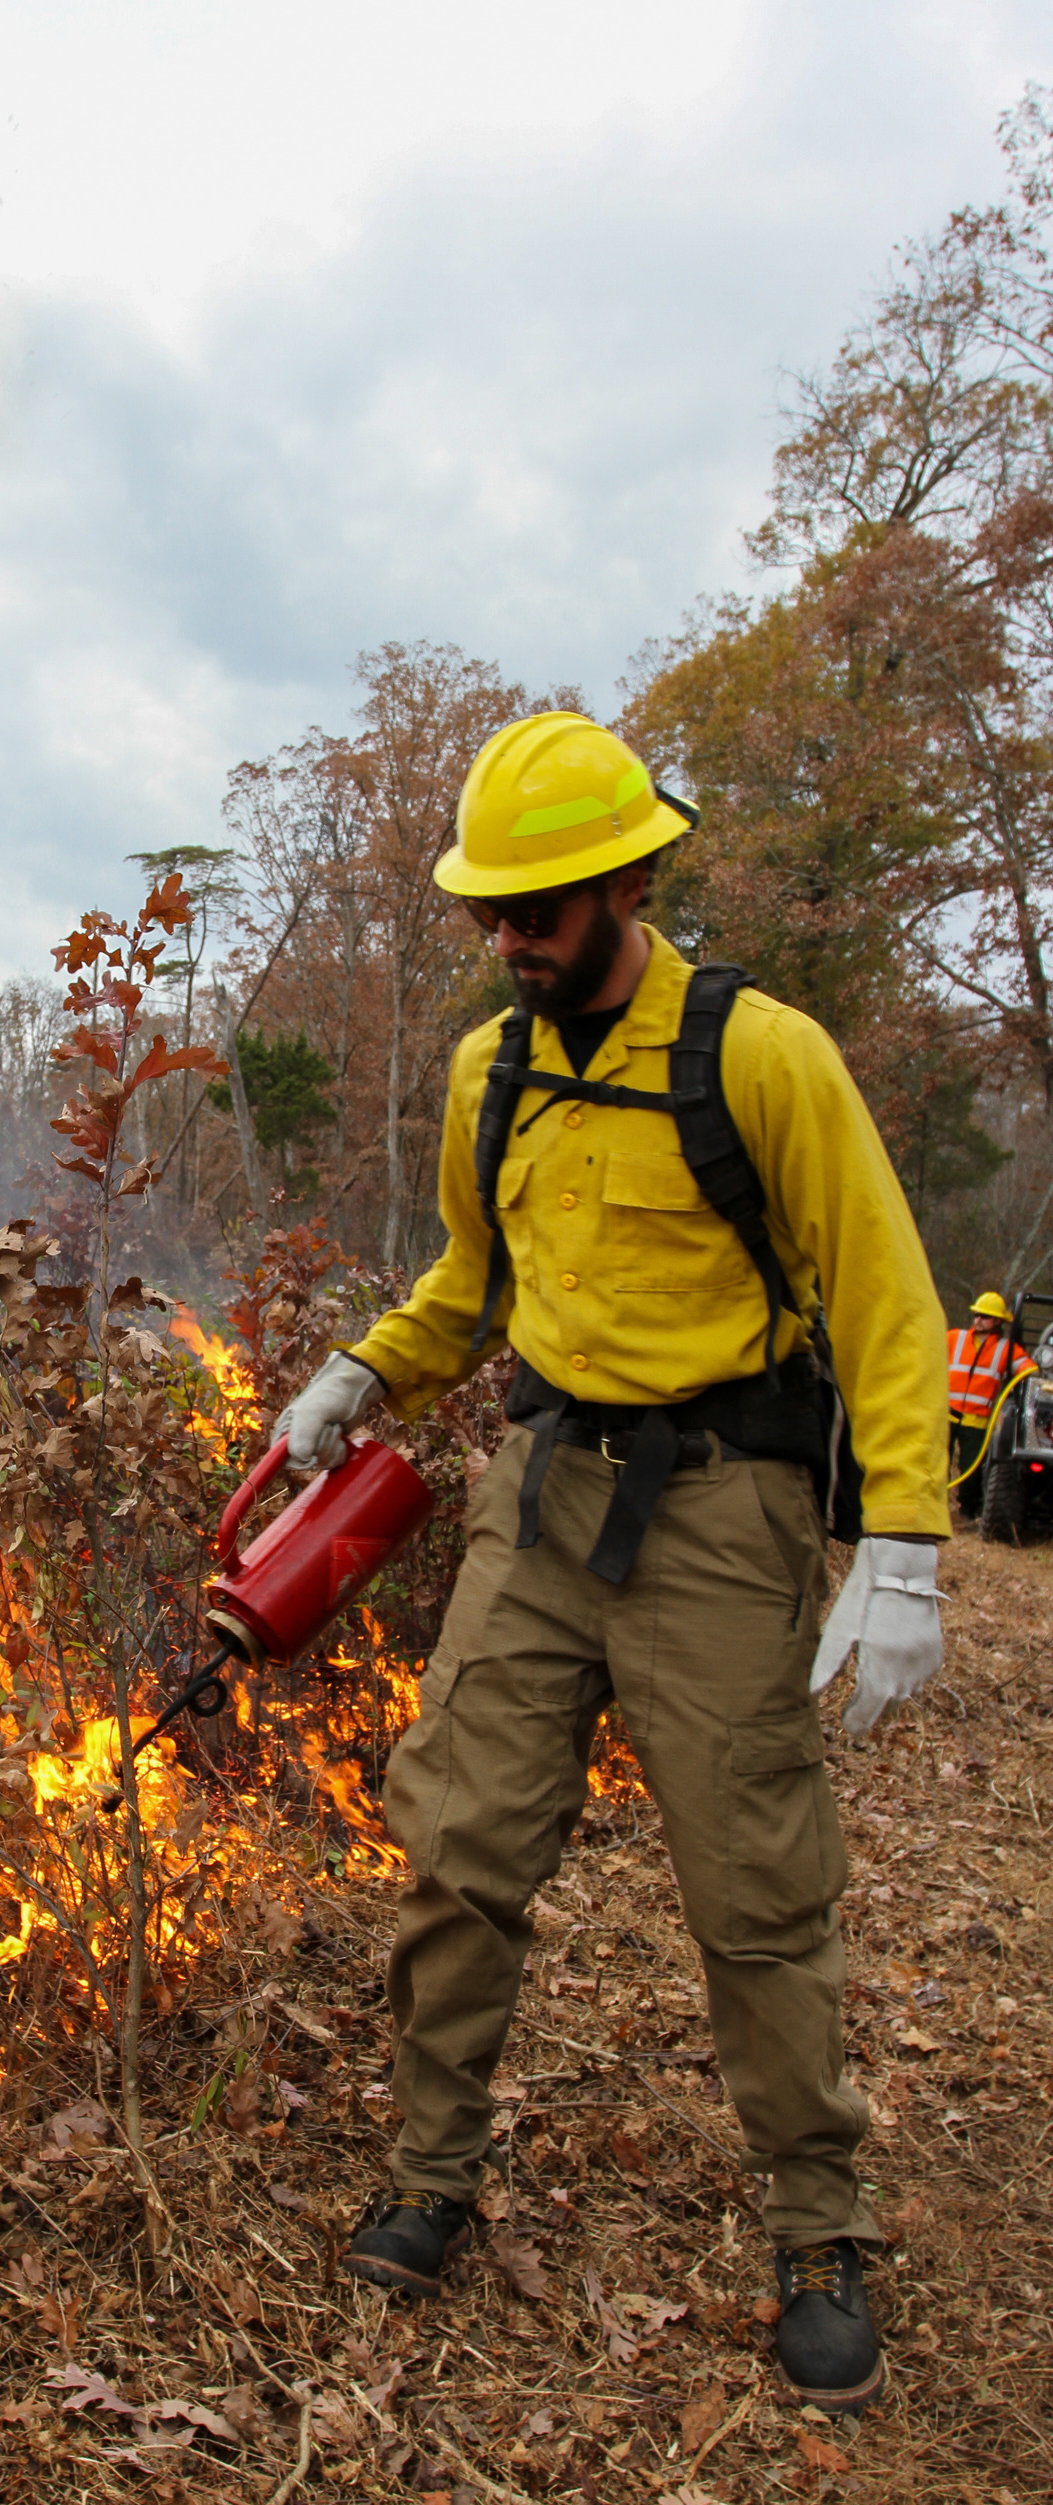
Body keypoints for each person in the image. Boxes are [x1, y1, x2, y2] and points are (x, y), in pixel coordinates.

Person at [276, 713, 948, 2415]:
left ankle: (815, 2221)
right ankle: (431, 2169)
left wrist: (905, 1551)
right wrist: (366, 1370)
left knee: (753, 1891)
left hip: (723, 1514)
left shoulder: (761, 1056)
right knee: (456, 1846)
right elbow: (466, 1277)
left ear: (629, 878)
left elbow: (880, 1299)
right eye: (489, 912)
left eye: (540, 907)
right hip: (537, 1490)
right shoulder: (483, 1068)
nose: (507, 938)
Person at [946, 1292, 1030, 1519]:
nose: (978, 1319)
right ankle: (931, 1508)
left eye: (985, 1316)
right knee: (935, 1463)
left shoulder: (1006, 1349)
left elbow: (1029, 1370)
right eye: (976, 1314)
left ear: (998, 1322)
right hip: (945, 1415)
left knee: (971, 1470)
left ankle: (968, 1511)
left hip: (977, 1421)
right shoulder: (955, 1338)